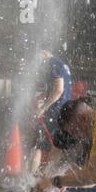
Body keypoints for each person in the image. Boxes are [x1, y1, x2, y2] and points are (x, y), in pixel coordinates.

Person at [30, 45, 73, 175]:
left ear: (43, 53)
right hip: (64, 110)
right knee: (56, 147)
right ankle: (48, 180)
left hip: (54, 111)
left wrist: (43, 108)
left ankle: (29, 183)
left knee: (37, 146)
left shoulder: (52, 64)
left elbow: (58, 90)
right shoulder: (62, 64)